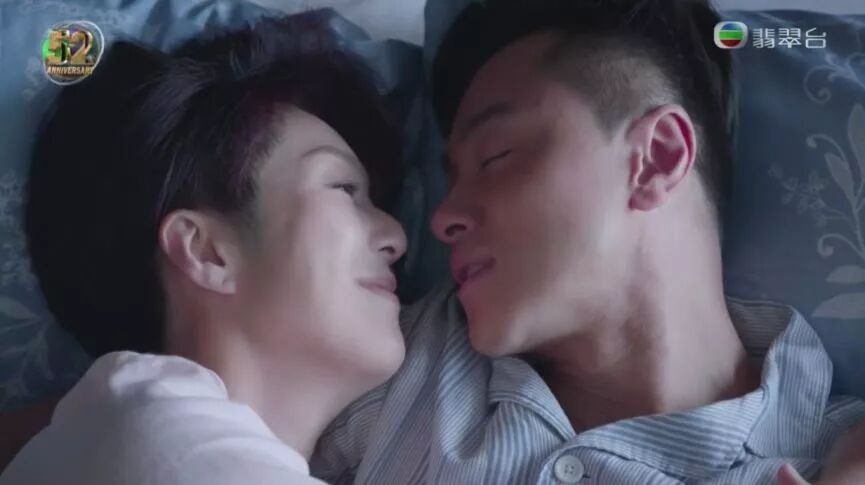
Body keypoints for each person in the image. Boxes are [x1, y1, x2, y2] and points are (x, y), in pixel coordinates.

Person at [307, 0, 865, 483]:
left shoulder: (829, 458)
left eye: (495, 157)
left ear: (658, 158)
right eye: (450, 178)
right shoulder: (398, 360)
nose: (442, 218)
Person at [0, 11, 406, 485]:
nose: (397, 237)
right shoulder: (164, 448)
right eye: (343, 189)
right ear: (206, 250)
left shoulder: (118, 434)